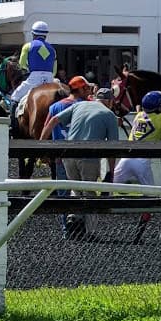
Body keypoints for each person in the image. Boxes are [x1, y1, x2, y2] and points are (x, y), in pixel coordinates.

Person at [40, 87, 121, 238]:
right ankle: (89, 231)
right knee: (89, 192)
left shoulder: (79, 105)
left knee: (75, 188)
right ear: (110, 101)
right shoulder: (109, 115)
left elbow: (53, 120)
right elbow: (113, 148)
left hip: (69, 154)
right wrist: (111, 172)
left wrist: (40, 144)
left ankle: (73, 217)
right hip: (89, 156)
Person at [10, 20, 57, 106]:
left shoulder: (27, 46)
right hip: (50, 79)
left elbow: (22, 65)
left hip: (34, 78)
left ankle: (13, 119)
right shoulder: (52, 49)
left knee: (14, 97)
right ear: (45, 35)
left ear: (33, 34)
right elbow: (54, 71)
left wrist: (30, 68)